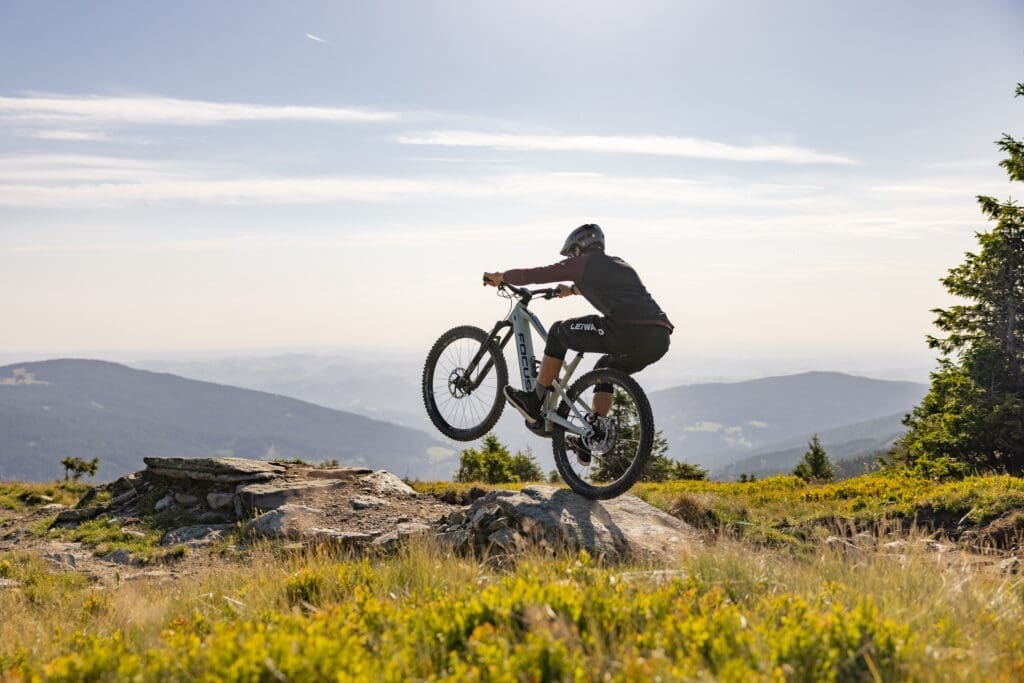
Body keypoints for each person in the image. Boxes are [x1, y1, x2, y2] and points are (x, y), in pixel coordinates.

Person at [482, 223, 673, 432]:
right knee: (606, 369)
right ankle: (595, 433)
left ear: (578, 249)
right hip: (659, 338)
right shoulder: (619, 264)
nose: (571, 258)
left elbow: (537, 275)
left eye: (572, 254)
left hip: (625, 330)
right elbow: (609, 286)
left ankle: (533, 401)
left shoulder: (583, 263)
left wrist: (502, 277)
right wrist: (572, 290)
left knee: (558, 332)